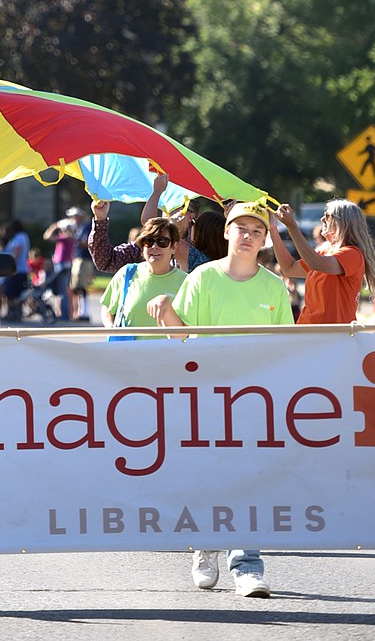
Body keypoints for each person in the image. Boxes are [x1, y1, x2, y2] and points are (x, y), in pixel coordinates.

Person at [148, 199, 294, 599]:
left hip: (254, 401)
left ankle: (247, 566)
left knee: (249, 481)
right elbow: (181, 336)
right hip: (207, 398)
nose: (248, 236)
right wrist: (165, 312)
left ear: (265, 240)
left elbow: (287, 347)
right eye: (241, 229)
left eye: (257, 231)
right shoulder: (203, 278)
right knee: (207, 476)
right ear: (227, 232)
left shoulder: (272, 287)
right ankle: (205, 546)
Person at [267, 200, 375, 323]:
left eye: (327, 216)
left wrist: (292, 226)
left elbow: (315, 263)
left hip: (332, 334)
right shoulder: (324, 252)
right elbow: (288, 268)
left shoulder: (352, 254)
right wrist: (273, 229)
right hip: (308, 329)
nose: (322, 219)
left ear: (343, 223)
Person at [101, 216, 187, 331]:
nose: (154, 247)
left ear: (174, 247)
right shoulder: (127, 273)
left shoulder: (187, 282)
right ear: (142, 247)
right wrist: (111, 328)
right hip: (130, 349)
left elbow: (189, 328)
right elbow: (107, 309)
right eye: (148, 241)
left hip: (169, 349)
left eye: (162, 242)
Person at [42, 208, 85, 321]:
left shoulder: (68, 237)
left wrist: (60, 226)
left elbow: (48, 237)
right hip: (59, 264)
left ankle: (64, 315)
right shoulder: (63, 237)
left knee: (63, 290)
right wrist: (55, 226)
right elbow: (46, 236)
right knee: (60, 290)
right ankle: (61, 313)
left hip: (64, 265)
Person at [1, 219, 31, 323]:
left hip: (16, 270)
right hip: (22, 270)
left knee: (11, 293)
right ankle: (15, 312)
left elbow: (16, 252)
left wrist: (8, 264)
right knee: (17, 293)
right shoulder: (24, 236)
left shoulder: (19, 237)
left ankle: (14, 312)